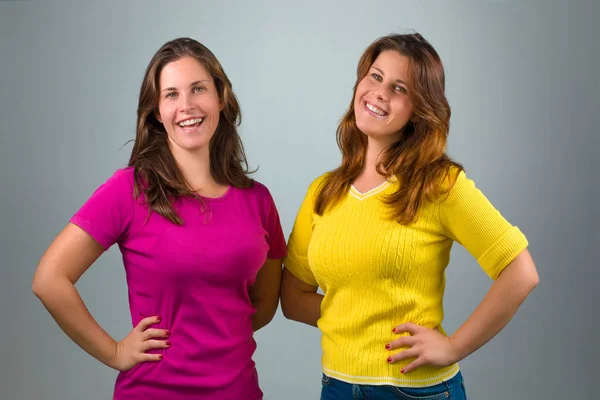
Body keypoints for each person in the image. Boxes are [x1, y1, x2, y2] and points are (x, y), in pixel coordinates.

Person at [280, 33, 539, 400]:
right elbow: (293, 298)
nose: (380, 93)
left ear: (419, 108)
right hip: (336, 386)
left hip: (416, 391)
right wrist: (359, 317)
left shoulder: (439, 184)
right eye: (375, 76)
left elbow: (521, 272)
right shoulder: (323, 191)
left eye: (399, 88)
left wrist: (452, 347)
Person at [32, 37, 285, 400]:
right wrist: (115, 352)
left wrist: (217, 336)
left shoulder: (258, 200)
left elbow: (261, 307)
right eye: (171, 94)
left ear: (220, 97)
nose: (187, 106)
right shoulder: (129, 189)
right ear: (155, 111)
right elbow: (49, 279)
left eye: (198, 89)